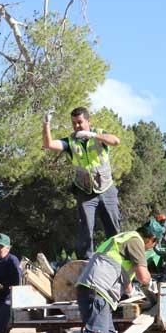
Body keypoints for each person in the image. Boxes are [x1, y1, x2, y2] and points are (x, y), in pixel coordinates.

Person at [74, 218, 165, 333]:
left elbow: (123, 274)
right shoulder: (136, 241)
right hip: (97, 292)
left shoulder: (123, 240)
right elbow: (143, 277)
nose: (151, 247)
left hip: (97, 292)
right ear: (151, 239)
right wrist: (151, 285)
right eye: (154, 244)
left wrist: (131, 291)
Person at [42, 106, 122, 259]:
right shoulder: (71, 141)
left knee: (113, 226)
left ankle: (117, 258)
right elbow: (48, 144)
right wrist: (46, 124)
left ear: (88, 121)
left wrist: (93, 135)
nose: (77, 126)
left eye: (79, 122)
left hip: (106, 188)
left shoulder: (99, 134)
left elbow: (116, 141)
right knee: (85, 228)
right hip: (84, 191)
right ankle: (86, 262)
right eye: (74, 123)